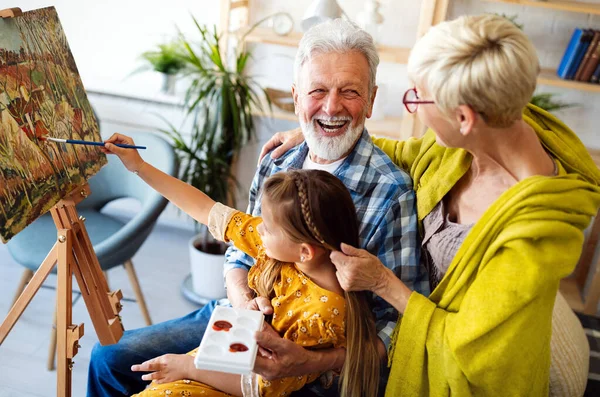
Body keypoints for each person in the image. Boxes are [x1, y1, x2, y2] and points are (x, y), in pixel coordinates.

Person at [258, 14, 600, 396]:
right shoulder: (487, 131)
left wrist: (382, 282)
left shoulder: (533, 238)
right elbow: (407, 151)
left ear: (464, 117)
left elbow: (468, 353)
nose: (413, 109)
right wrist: (314, 128)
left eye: (418, 96)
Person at [87, 19, 428, 396]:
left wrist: (313, 361)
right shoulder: (279, 160)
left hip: (311, 362)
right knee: (107, 359)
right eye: (318, 90)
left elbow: (396, 326)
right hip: (240, 317)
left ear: (371, 100)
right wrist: (243, 301)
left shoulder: (389, 192)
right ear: (296, 97)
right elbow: (237, 245)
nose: (332, 106)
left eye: (350, 91)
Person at [103, 130, 380, 397]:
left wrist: (186, 366)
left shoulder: (322, 315)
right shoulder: (284, 249)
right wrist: (138, 166)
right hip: (203, 367)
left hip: (214, 382)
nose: (258, 230)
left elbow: (260, 387)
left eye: (268, 228)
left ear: (305, 251)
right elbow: (204, 208)